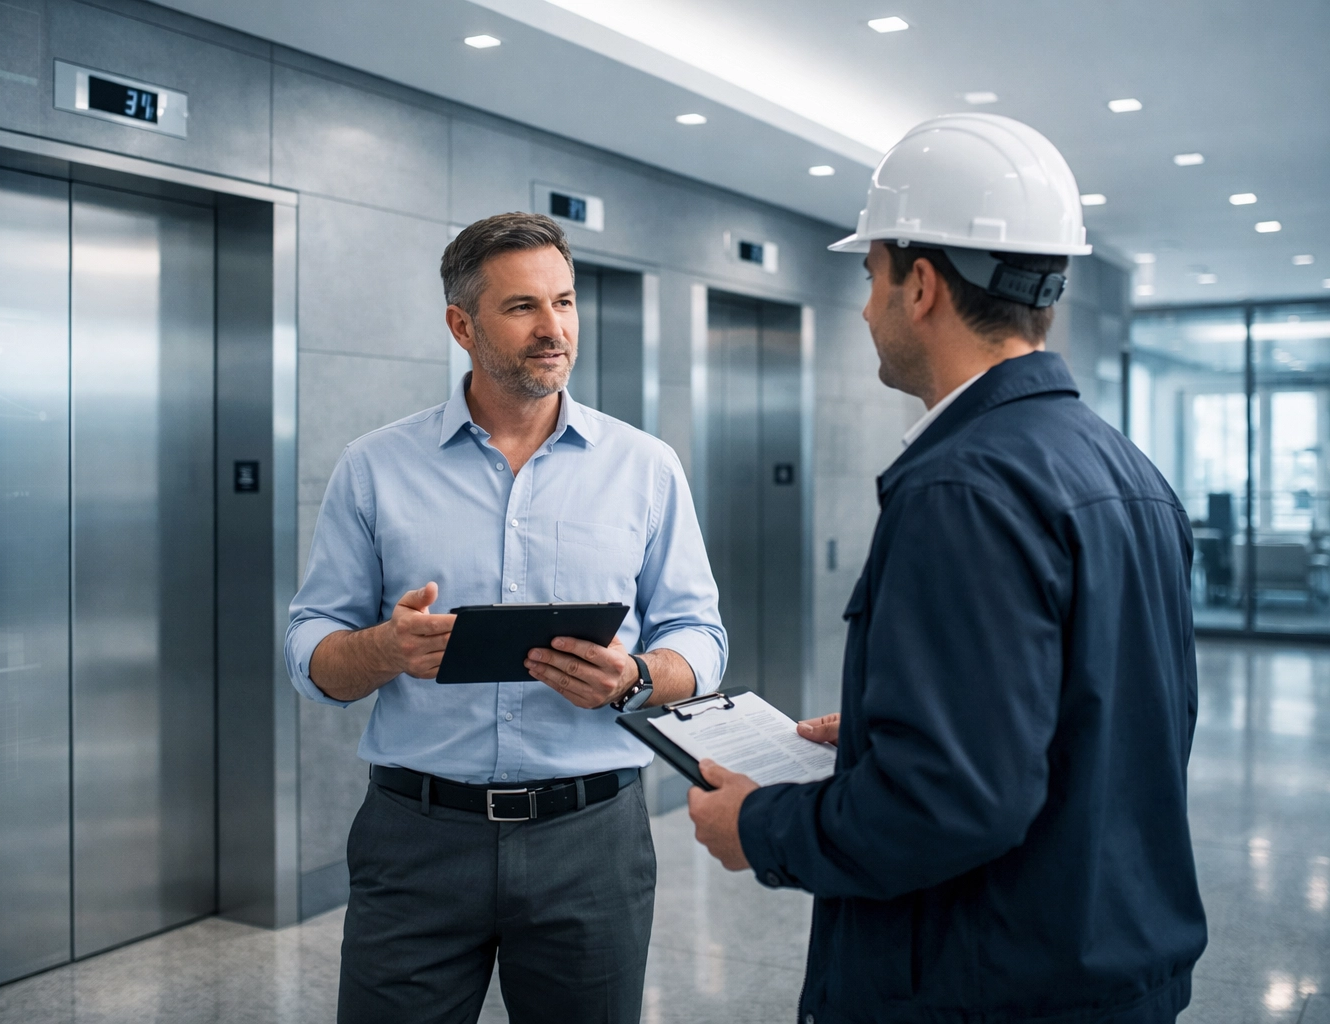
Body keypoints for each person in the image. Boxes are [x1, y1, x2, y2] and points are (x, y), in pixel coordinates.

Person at [686, 113, 1207, 1023]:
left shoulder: (962, 485)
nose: (864, 307)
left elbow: (952, 804)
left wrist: (760, 828)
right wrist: (911, 721)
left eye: (869, 275)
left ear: (920, 284)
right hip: (1105, 967)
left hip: (985, 984)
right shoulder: (1128, 472)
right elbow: (1103, 721)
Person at [285, 211, 726, 1024]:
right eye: (523, 307)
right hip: (416, 838)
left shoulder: (645, 467)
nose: (553, 328)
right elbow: (311, 651)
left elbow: (701, 639)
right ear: (462, 325)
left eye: (564, 302)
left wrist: (635, 676)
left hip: (591, 838)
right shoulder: (375, 468)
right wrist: (385, 649)